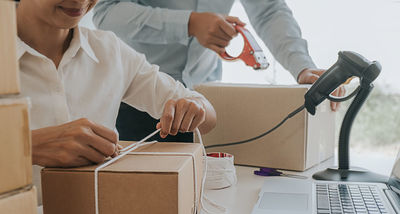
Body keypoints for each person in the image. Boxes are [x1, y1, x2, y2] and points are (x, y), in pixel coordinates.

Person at [16, 0, 216, 203]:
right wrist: (26, 148)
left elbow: (207, 117)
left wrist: (194, 109)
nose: (81, 1)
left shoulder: (109, 51)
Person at [93, 0, 344, 143]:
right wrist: (188, 23)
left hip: (204, 106)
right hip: (135, 102)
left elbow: (269, 11)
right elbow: (106, 11)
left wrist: (302, 66)